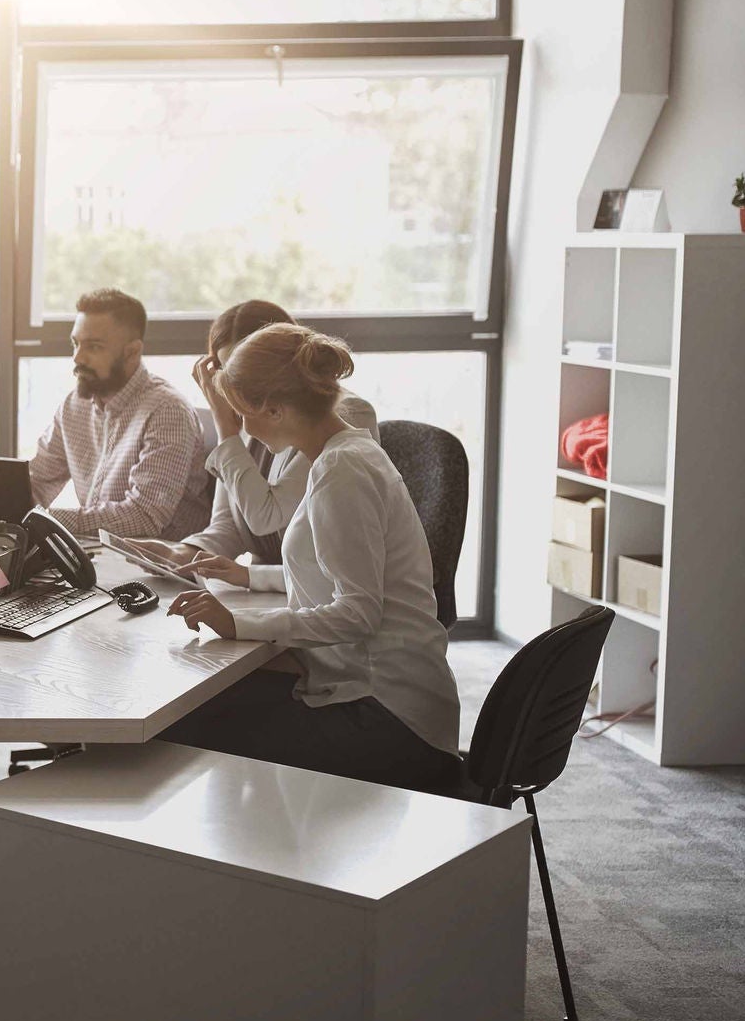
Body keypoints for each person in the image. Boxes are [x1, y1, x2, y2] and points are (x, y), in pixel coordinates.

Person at [163, 324, 461, 792]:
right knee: (211, 702)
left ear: (275, 409)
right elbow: (340, 570)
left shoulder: (342, 471)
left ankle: (260, 839)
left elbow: (358, 613)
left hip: (389, 716)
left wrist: (238, 623)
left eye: (243, 415)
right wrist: (249, 577)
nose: (245, 430)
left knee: (185, 727)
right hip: (379, 695)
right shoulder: (344, 452)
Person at [124, 299, 377, 572]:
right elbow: (231, 526)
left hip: (309, 583)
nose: (235, 388)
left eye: (243, 370)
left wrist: (225, 428)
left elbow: (268, 516)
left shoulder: (341, 414)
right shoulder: (248, 419)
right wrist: (183, 553)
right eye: (226, 371)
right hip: (265, 584)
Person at [27, 288, 211, 540]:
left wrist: (47, 520)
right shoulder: (74, 405)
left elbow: (143, 516)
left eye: (94, 347)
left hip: (157, 559)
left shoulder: (167, 411)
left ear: (132, 352)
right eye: (76, 344)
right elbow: (38, 480)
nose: (78, 357)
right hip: (102, 553)